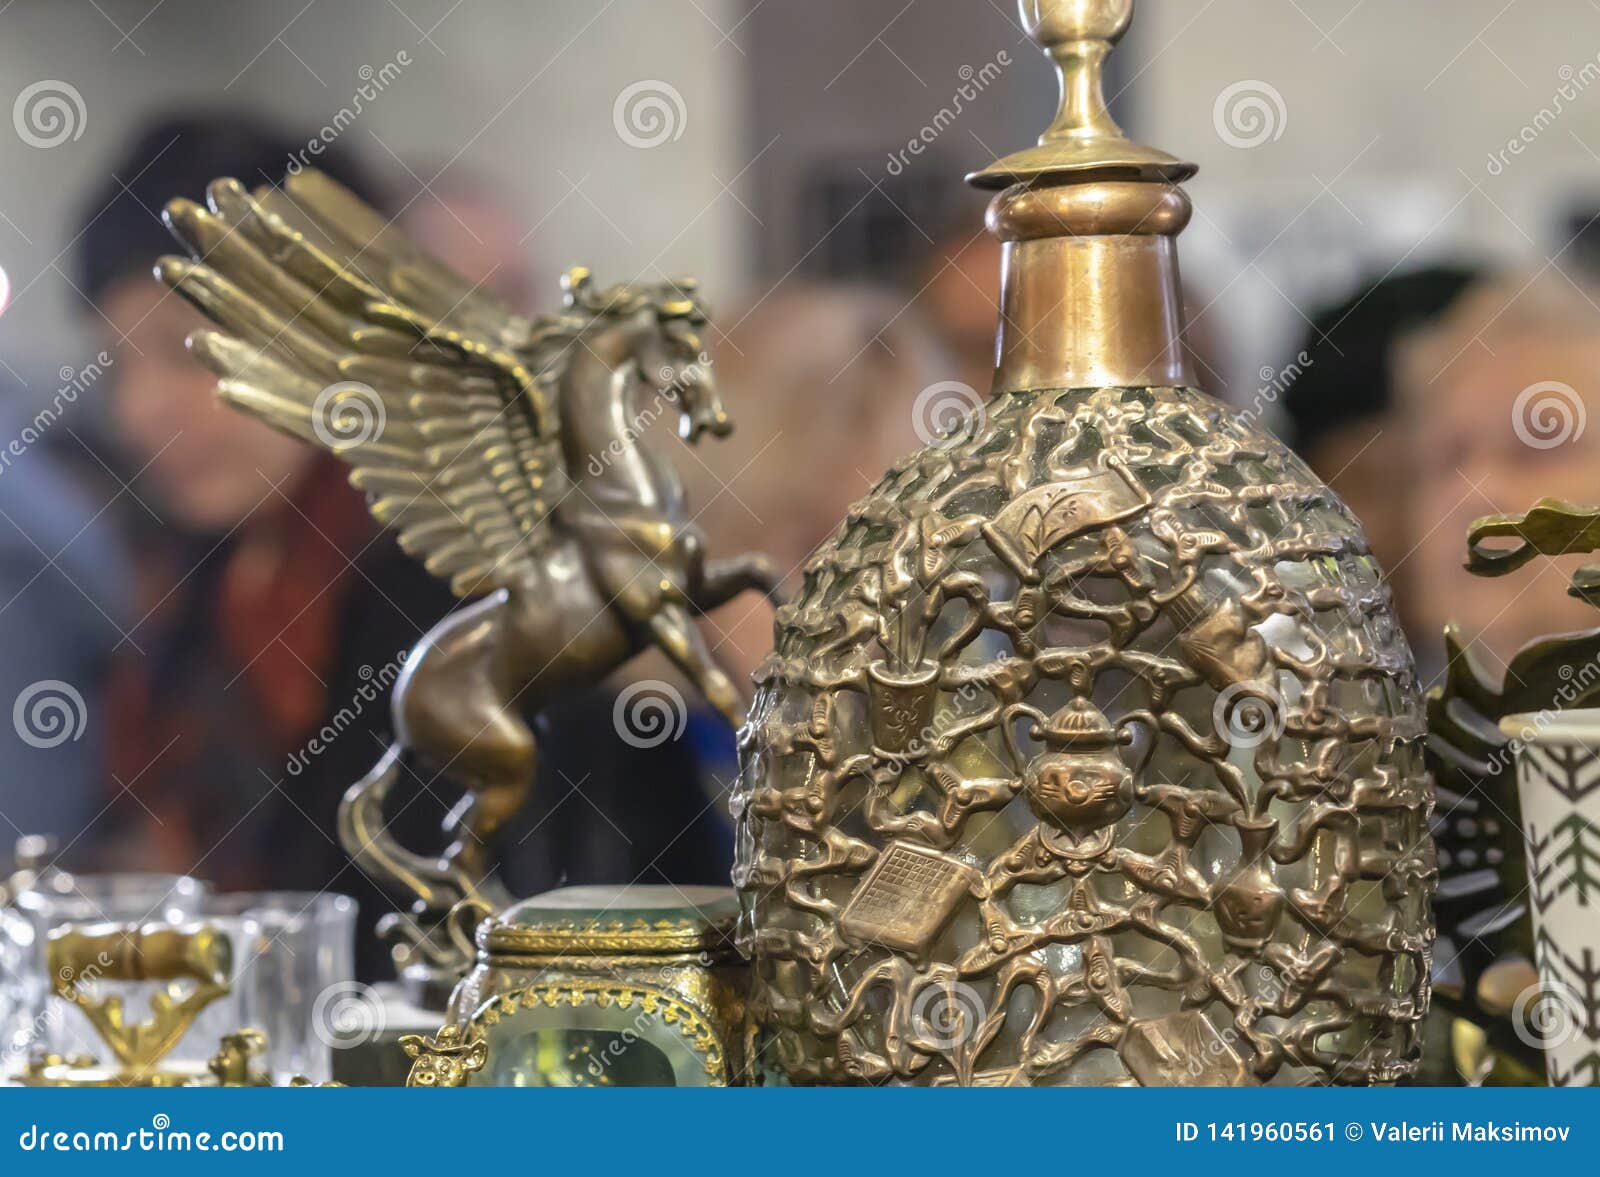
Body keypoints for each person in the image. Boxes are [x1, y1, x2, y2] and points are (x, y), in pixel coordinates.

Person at [76, 114, 729, 976]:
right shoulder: (197, 589)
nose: (140, 409)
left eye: (188, 352)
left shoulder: (458, 575)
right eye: (116, 362)